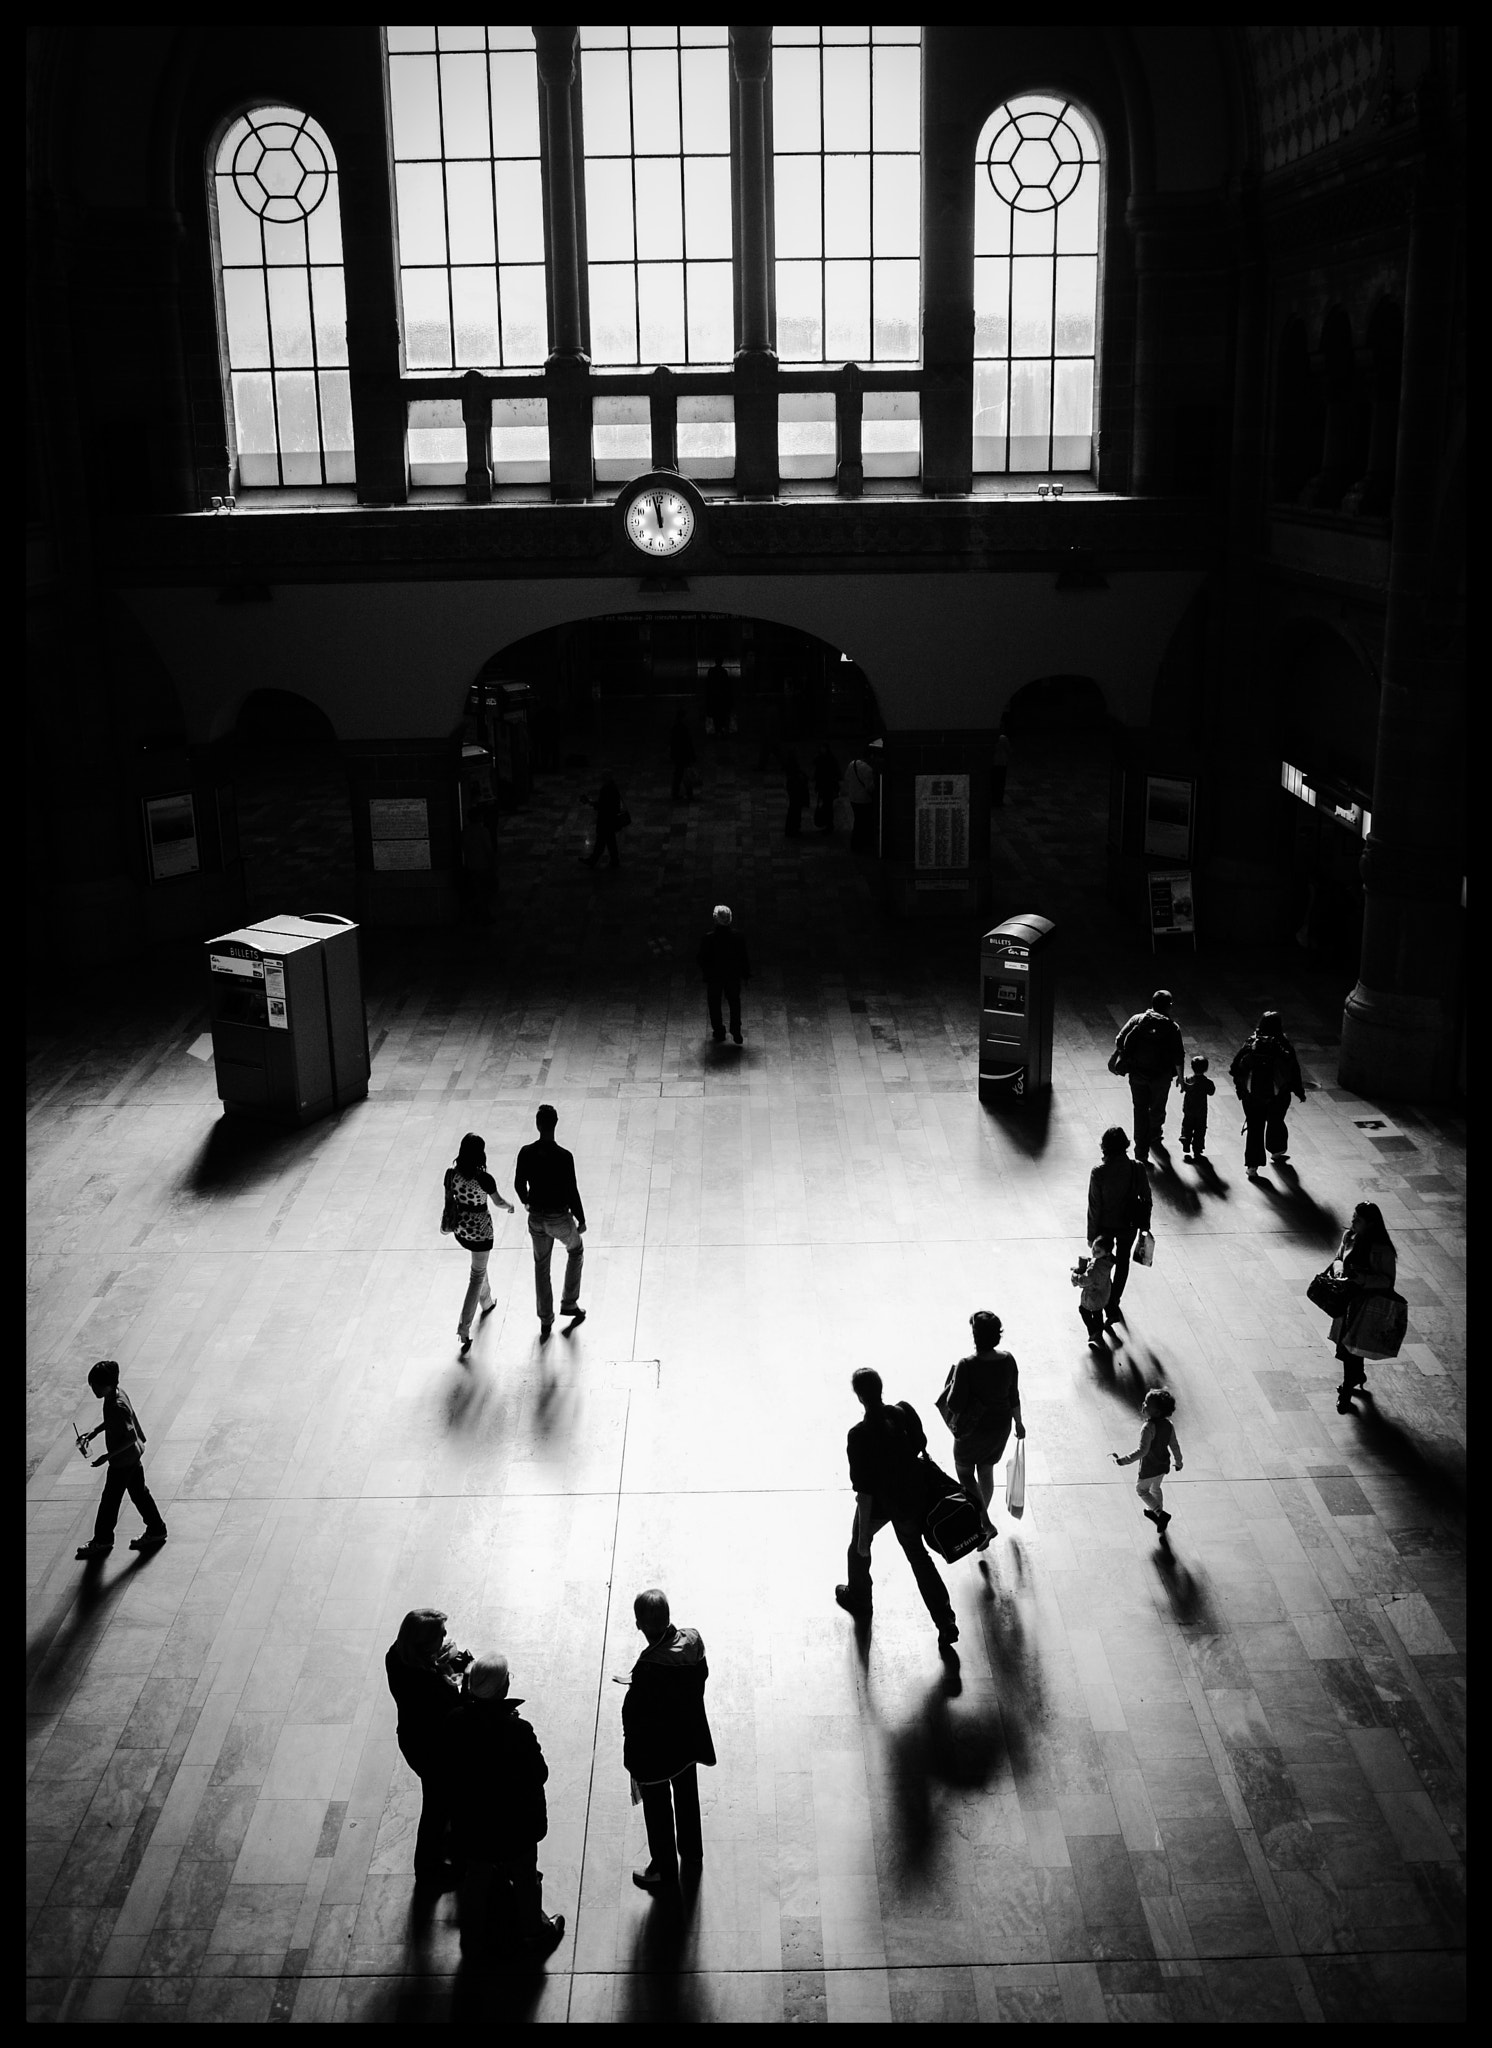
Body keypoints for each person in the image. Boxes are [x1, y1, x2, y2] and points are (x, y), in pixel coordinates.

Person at [445, 1652, 566, 1959]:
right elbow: (540, 1773)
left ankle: (472, 1937)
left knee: (477, 1876)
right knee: (525, 1875)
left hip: (473, 1824)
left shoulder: (456, 1722)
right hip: (515, 1824)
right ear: (502, 1689)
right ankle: (534, 1932)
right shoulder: (518, 1730)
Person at [835, 1368, 958, 1648]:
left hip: (882, 1503)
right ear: (881, 1389)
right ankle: (945, 1620)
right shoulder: (902, 1413)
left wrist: (865, 1536)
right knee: (919, 1558)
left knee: (857, 1550)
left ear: (859, 1397)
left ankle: (860, 1599)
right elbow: (920, 1444)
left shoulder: (859, 1435)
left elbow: (865, 1492)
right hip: (912, 1498)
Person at [622, 1588, 716, 1892]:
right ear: (668, 1617)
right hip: (687, 1741)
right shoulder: (693, 1643)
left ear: (639, 1625)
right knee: (687, 1796)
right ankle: (692, 1853)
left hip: (658, 1753)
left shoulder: (649, 1668)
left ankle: (663, 1869)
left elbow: (636, 1716)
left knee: (658, 1808)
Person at [384, 1608, 469, 1888]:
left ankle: (446, 1847)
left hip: (412, 1738)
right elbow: (457, 1711)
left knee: (438, 1800)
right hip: (435, 1750)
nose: (445, 1638)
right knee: (436, 1807)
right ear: (424, 1644)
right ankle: (429, 1872)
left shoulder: (396, 1655)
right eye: (440, 1635)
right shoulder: (430, 1685)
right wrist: (464, 1677)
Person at [937, 1311, 1025, 1547]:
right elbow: (1013, 1394)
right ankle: (980, 1523)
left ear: (976, 1337)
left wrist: (954, 1381)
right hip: (1000, 1427)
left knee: (965, 1473)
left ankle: (984, 1523)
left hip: (972, 1430)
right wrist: (1019, 1422)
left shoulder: (967, 1365)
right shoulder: (1008, 1360)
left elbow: (955, 1404)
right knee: (985, 1471)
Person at [74, 1360, 168, 1560]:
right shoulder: (116, 1394)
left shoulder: (116, 1405)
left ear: (107, 1384)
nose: (94, 1389)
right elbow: (113, 1422)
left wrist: (107, 1456)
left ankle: (103, 1539)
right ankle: (157, 1529)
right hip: (131, 1457)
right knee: (139, 1493)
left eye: (96, 1386)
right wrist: (95, 1432)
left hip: (123, 1462)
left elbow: (131, 1436)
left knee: (110, 1501)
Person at [514, 1104, 586, 1337]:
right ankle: (569, 1302)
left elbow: (518, 1183)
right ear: (555, 1124)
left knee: (541, 1265)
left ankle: (546, 1319)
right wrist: (581, 1218)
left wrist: (526, 1201)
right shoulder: (564, 1156)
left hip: (536, 1217)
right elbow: (571, 1190)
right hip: (559, 1216)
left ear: (538, 1124)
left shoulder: (526, 1152)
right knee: (575, 1250)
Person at [445, 1133, 516, 1356]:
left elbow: (449, 1199)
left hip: (461, 1229)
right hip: (481, 1233)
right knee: (476, 1275)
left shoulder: (450, 1175)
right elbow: (498, 1201)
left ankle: (486, 1301)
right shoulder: (484, 1179)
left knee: (479, 1267)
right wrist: (510, 1206)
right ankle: (463, 1328)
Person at [1327, 1201, 1398, 1413]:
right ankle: (1357, 1376)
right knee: (1348, 1345)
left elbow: (1387, 1281)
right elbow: (1338, 1258)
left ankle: (1347, 1389)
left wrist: (1362, 1279)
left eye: (1358, 1219)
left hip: (1366, 1306)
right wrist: (1339, 1271)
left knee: (1350, 1347)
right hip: (1347, 1301)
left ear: (1371, 1224)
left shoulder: (1382, 1250)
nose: (1352, 1221)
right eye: (1353, 1217)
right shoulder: (1349, 1236)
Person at [1086, 1126, 1152, 1324]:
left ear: (1104, 1147)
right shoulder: (1137, 1168)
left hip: (1105, 1227)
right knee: (1122, 1263)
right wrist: (1144, 1226)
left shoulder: (1099, 1172)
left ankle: (1104, 1299)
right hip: (1128, 1224)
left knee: (1102, 1264)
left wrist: (1091, 1236)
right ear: (1125, 1145)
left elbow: (1094, 1207)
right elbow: (1147, 1198)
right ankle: (1113, 1303)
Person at [1112, 989, 1186, 1165]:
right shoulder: (1172, 1028)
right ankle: (1154, 1134)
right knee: (1158, 1106)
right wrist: (1181, 1078)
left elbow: (1119, 1039)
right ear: (1169, 1006)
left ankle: (1141, 1152)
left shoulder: (1138, 1020)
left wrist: (1124, 1056)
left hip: (1138, 1074)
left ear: (1152, 1003)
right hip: (1161, 1077)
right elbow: (1178, 1056)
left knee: (1140, 1109)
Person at [1229, 1010, 1307, 1176]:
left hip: (1252, 1096)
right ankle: (1276, 1150)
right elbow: (1294, 1070)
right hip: (1278, 1095)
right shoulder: (1283, 1045)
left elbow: (1235, 1069)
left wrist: (1242, 1091)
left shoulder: (1251, 1043)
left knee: (1255, 1128)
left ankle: (1252, 1166)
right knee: (1276, 1121)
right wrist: (1299, 1091)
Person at [1112, 1387, 1184, 1535]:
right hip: (1163, 1465)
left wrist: (1124, 1461)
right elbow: (1174, 1445)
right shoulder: (1168, 1425)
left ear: (1156, 1412)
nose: (1143, 1404)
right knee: (1156, 1488)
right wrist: (1178, 1461)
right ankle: (1158, 1513)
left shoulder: (1148, 1428)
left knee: (1141, 1490)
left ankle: (1160, 1513)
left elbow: (1142, 1451)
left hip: (1149, 1467)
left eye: (1147, 1404)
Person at [698, 904, 750, 1046]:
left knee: (714, 1004)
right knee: (734, 1002)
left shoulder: (708, 939)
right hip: (732, 975)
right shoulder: (738, 937)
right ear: (730, 919)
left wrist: (706, 973)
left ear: (715, 919)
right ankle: (736, 1030)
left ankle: (719, 1031)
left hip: (714, 977)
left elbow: (702, 959)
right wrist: (745, 975)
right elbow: (743, 958)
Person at [1072, 1239, 1116, 1348]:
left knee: (1083, 1310)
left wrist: (1076, 1275)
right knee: (1097, 1313)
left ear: (1106, 1252)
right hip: (1103, 1294)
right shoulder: (1107, 1262)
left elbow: (1085, 1280)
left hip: (1092, 1295)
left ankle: (1093, 1332)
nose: (1094, 1253)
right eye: (1093, 1249)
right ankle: (1099, 1334)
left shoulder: (1094, 1267)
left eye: (1098, 1251)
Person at [460, 804, 497, 924]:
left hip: (471, 865)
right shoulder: (483, 831)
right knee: (485, 892)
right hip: (483, 865)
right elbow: (488, 850)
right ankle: (484, 915)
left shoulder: (465, 831)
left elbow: (465, 848)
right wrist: (493, 864)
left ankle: (476, 914)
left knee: (476, 890)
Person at [582, 773, 624, 868]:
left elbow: (603, 805)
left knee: (603, 842)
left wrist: (591, 803)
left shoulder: (607, 789)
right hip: (610, 819)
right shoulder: (613, 788)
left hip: (606, 820)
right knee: (608, 842)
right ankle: (612, 861)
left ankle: (595, 860)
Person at [1179, 1054, 1215, 1162]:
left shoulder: (1187, 1079)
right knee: (1200, 1130)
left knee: (1187, 1125)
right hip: (1201, 1111)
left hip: (1188, 1109)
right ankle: (1198, 1148)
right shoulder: (1207, 1082)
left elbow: (1183, 1088)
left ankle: (1185, 1139)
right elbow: (1211, 1092)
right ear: (1206, 1068)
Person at [845, 748, 878, 852]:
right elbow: (870, 787)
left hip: (852, 797)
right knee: (863, 822)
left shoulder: (852, 764)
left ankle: (856, 844)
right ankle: (860, 844)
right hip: (863, 799)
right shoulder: (868, 769)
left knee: (858, 820)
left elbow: (847, 777)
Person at [668, 708, 697, 801]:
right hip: (683, 755)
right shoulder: (682, 728)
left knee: (680, 775)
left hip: (679, 755)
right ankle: (686, 793)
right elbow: (687, 743)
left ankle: (678, 793)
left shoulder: (676, 727)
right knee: (684, 775)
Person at [812, 743, 840, 832]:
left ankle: (829, 824)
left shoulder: (829, 759)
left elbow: (834, 774)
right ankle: (828, 824)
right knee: (827, 805)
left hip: (828, 786)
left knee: (828, 806)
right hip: (824, 786)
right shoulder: (824, 759)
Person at [705, 660, 734, 736]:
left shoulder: (711, 671)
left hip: (714, 696)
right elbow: (727, 685)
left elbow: (709, 684)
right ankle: (721, 730)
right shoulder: (723, 672)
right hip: (721, 697)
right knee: (721, 714)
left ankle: (717, 730)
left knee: (715, 715)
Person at [784, 755, 809, 837]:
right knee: (795, 813)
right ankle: (794, 830)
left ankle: (792, 830)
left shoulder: (792, 777)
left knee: (793, 813)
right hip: (796, 797)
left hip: (795, 797)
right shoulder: (796, 776)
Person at [990, 727, 1012, 808]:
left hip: (994, 762)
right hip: (1002, 762)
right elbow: (1008, 749)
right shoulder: (1003, 738)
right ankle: (998, 800)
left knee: (994, 782)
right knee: (1000, 783)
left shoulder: (992, 738)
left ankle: (993, 800)